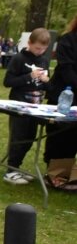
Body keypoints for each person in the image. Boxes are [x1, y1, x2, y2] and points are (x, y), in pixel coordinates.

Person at [1, 28, 50, 185]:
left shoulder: (43, 60)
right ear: (29, 43)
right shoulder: (19, 59)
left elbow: (46, 86)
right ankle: (11, 170)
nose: (39, 52)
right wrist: (29, 76)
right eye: (37, 48)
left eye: (43, 49)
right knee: (18, 137)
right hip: (19, 105)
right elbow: (8, 81)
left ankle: (17, 168)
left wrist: (46, 81)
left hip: (36, 106)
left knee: (29, 138)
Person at [44, 14, 77, 188]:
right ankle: (54, 173)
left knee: (73, 137)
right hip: (64, 93)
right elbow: (66, 68)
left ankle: (69, 174)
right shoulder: (68, 40)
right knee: (59, 134)